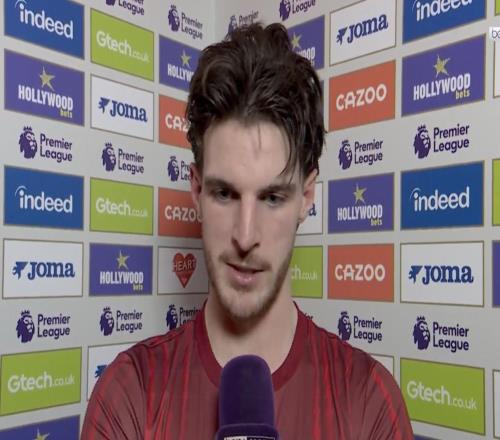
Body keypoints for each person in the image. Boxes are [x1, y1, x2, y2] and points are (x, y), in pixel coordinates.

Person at [82, 23, 413, 439]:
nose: (244, 235)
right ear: (197, 191)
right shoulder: (129, 394)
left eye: (272, 197)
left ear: (306, 197)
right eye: (225, 194)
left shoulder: (369, 401)